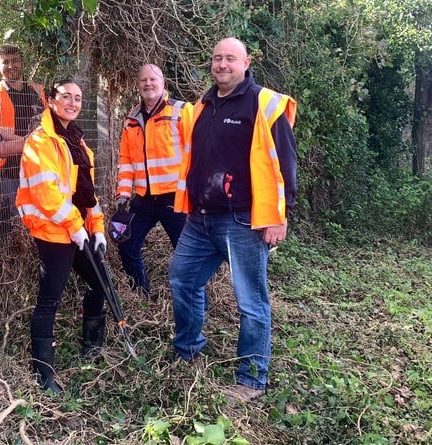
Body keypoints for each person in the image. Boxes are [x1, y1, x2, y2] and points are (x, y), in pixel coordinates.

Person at [169, 37, 297, 402]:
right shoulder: (203, 105)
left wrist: (280, 216)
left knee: (250, 301)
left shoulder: (263, 103)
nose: (222, 64)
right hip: (200, 218)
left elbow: (284, 165)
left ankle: (251, 380)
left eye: (230, 58)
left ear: (246, 62)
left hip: (242, 220)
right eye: (216, 58)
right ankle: (188, 351)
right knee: (182, 278)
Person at [16, 80, 107, 394]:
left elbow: (88, 195)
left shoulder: (79, 143)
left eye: (78, 98)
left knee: (101, 283)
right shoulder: (39, 142)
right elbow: (46, 194)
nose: (72, 102)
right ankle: (44, 375)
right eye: (65, 96)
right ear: (51, 100)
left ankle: (92, 348)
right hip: (54, 231)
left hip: (79, 230)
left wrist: (97, 230)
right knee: (49, 301)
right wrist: (74, 225)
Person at [114, 63, 193, 299]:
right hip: (144, 199)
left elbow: (196, 153)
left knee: (187, 254)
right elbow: (126, 159)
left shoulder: (181, 111)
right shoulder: (131, 118)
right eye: (143, 80)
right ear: (138, 85)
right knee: (127, 244)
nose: (148, 84)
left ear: (163, 83)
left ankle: (196, 305)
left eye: (153, 79)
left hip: (175, 199)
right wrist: (123, 193)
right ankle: (142, 297)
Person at [0, 44, 47, 235]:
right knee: (13, 227)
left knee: (36, 222)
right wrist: (28, 141)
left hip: (36, 169)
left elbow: (46, 124)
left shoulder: (37, 90)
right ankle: (10, 263)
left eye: (15, 61)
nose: (11, 66)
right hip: (6, 169)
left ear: (22, 62)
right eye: (5, 62)